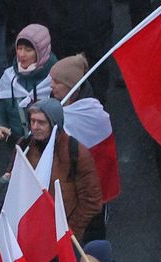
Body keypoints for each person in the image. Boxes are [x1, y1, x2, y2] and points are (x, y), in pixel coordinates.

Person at [23, 99, 103, 240]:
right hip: (32, 230)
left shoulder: (76, 153)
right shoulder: (24, 146)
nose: (34, 127)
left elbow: (92, 201)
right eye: (32, 121)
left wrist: (68, 233)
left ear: (55, 124)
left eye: (41, 122)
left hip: (62, 235)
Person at [50, 54, 121, 204]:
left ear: (71, 87)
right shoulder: (51, 106)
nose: (51, 85)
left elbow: (104, 155)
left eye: (57, 82)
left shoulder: (94, 115)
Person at [0, 24, 55, 145]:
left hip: (45, 148)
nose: (21, 54)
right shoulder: (9, 77)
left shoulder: (55, 79)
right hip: (15, 145)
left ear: (41, 51)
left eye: (28, 50)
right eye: (19, 48)